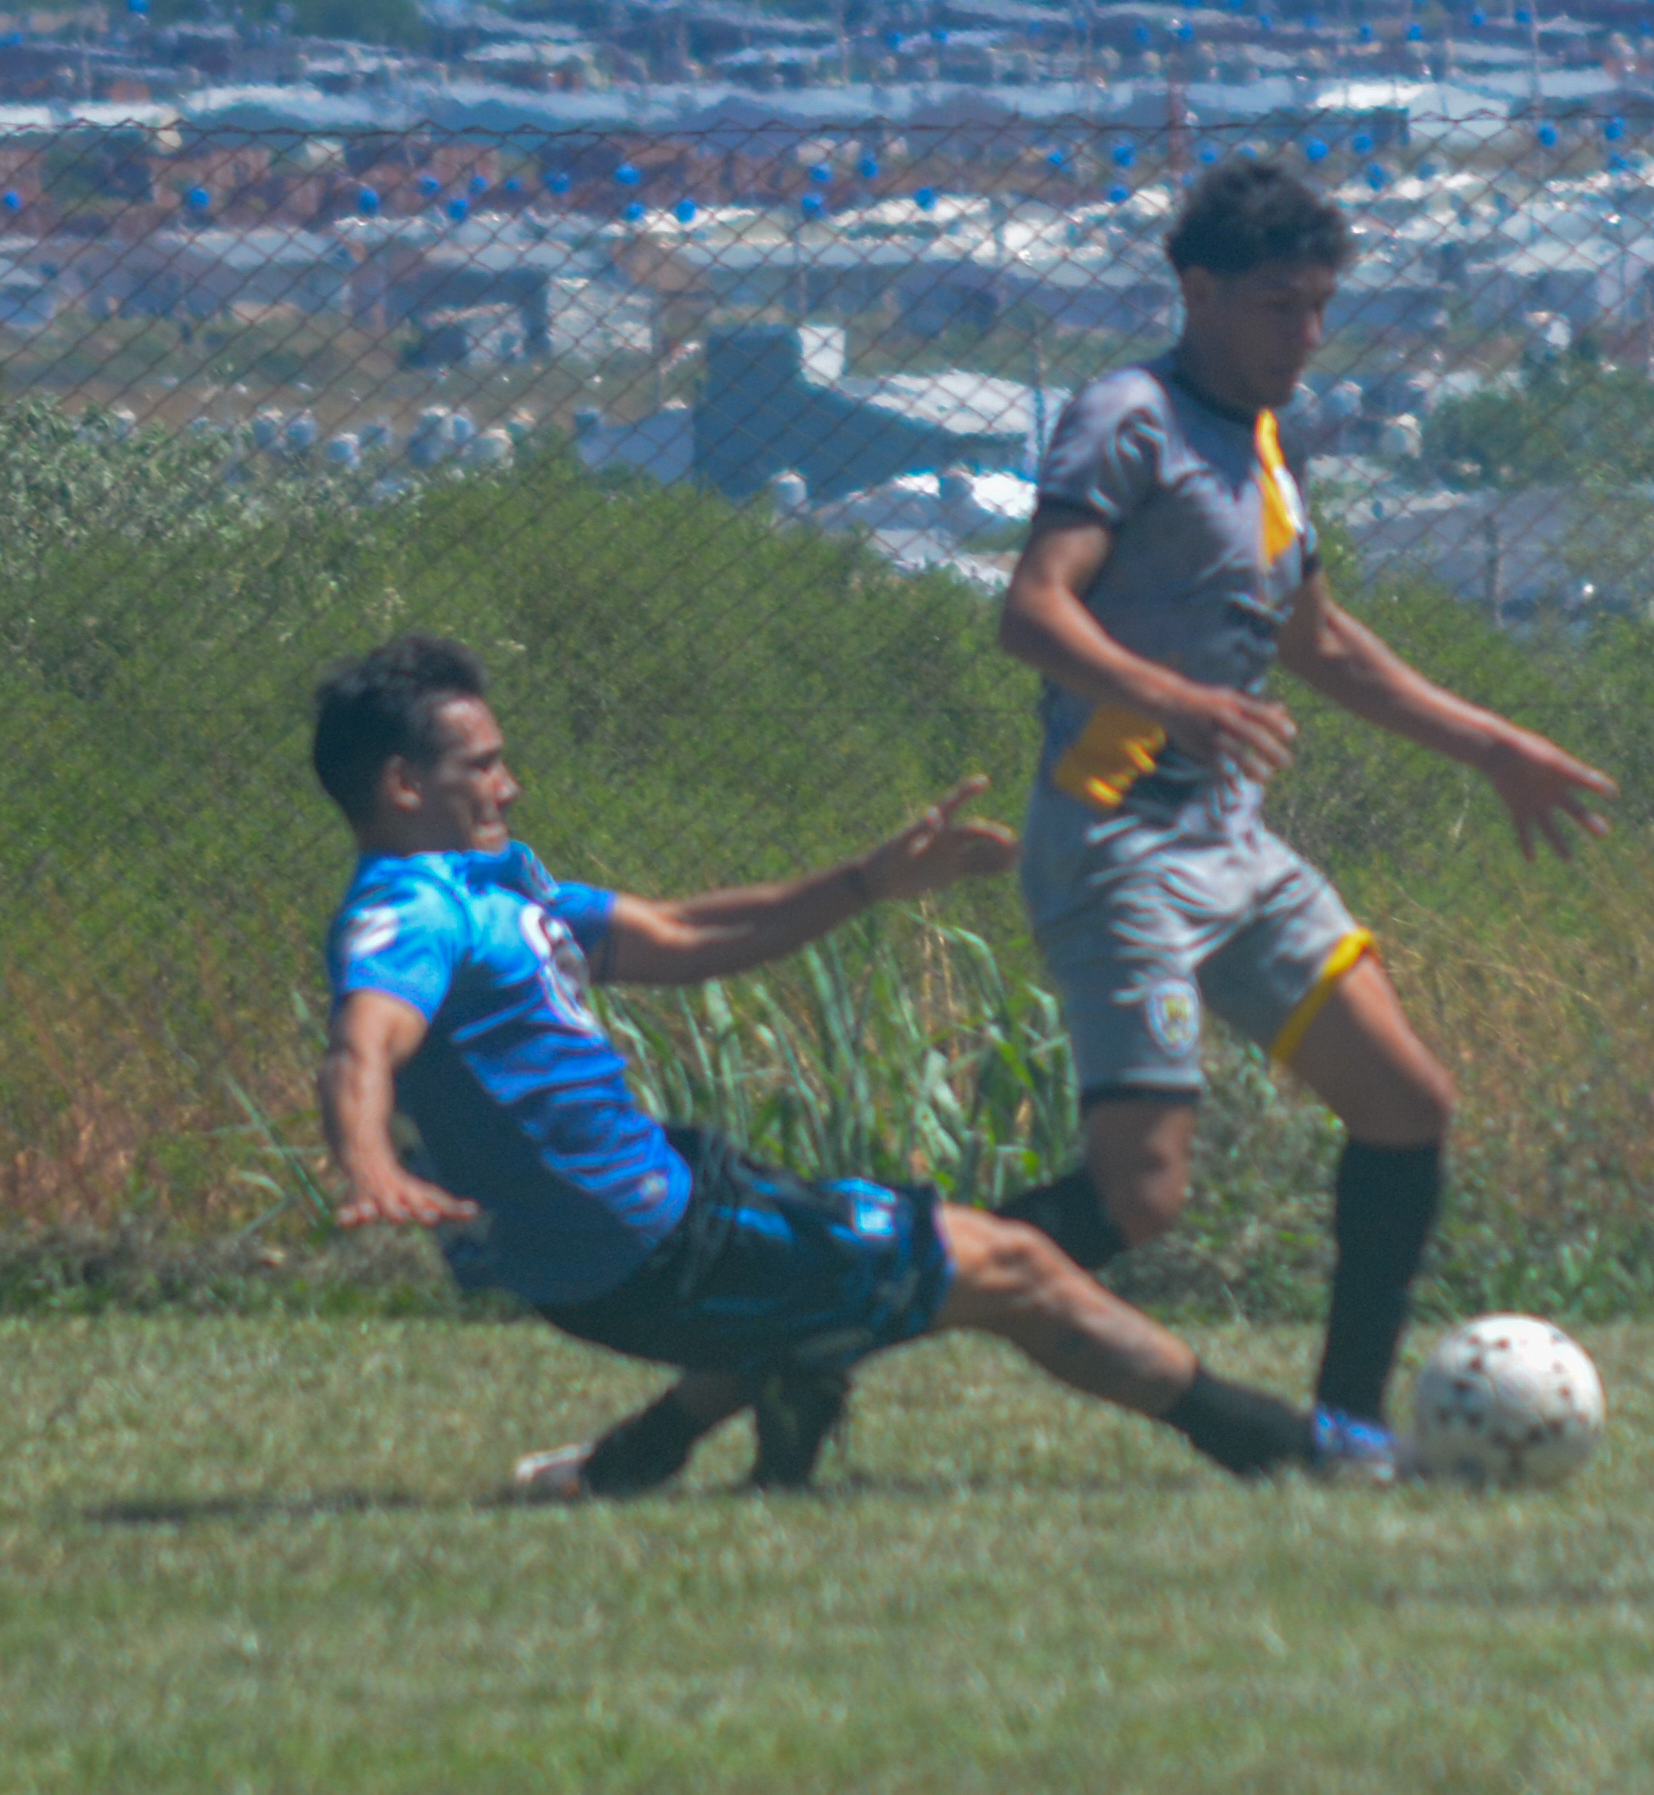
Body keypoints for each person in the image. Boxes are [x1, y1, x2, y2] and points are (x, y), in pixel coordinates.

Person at [313, 633, 1378, 1502]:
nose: (510, 783)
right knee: (1013, 1266)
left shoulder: (497, 886)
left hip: (671, 1209)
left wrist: (868, 880)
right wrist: (367, 1160)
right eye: (481, 764)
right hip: (644, 1248)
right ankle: (1297, 1450)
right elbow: (364, 1042)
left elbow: (681, 932)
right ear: (403, 783)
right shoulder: (411, 910)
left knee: (848, 1278)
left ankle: (658, 1450)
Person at [992, 156, 1616, 1463]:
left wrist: (1494, 745)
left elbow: (1321, 644)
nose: (1308, 334)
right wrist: (1173, 697)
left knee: (1404, 1102)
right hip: (1115, 847)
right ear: (1197, 291)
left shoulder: (1266, 443)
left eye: (1321, 305)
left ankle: (1345, 1426)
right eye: (1279, 305)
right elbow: (1032, 610)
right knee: (1139, 1197)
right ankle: (838, 1302)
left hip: (1231, 845)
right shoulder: (1128, 418)